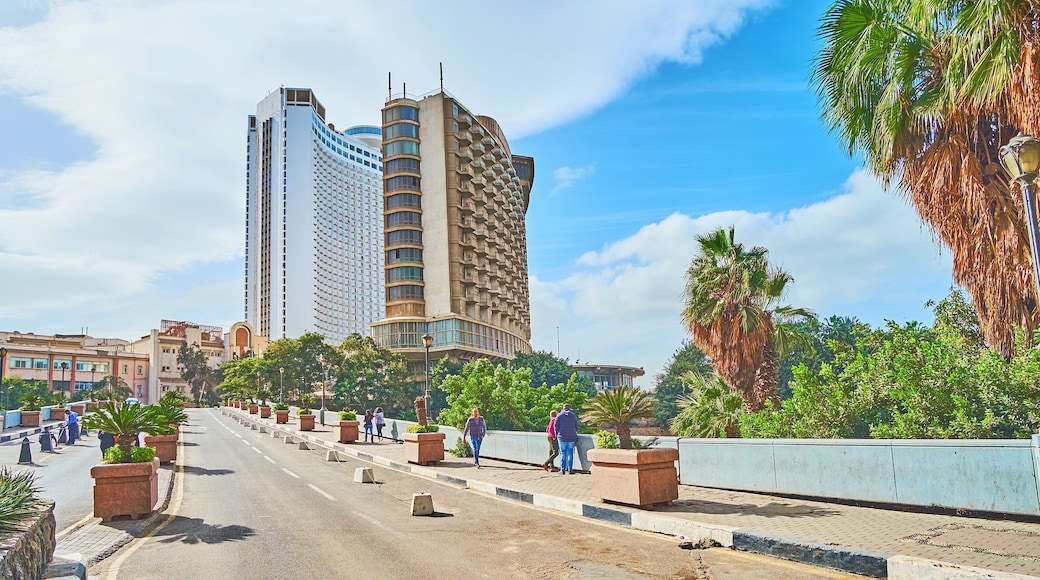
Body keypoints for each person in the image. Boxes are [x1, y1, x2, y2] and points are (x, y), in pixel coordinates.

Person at [554, 403, 580, 475]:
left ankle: (562, 470)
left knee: (563, 453)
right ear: (569, 408)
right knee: (570, 453)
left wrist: (557, 434)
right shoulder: (573, 416)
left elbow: (556, 426)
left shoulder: (559, 415)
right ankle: (570, 469)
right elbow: (576, 425)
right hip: (572, 437)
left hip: (562, 437)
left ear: (563, 408)